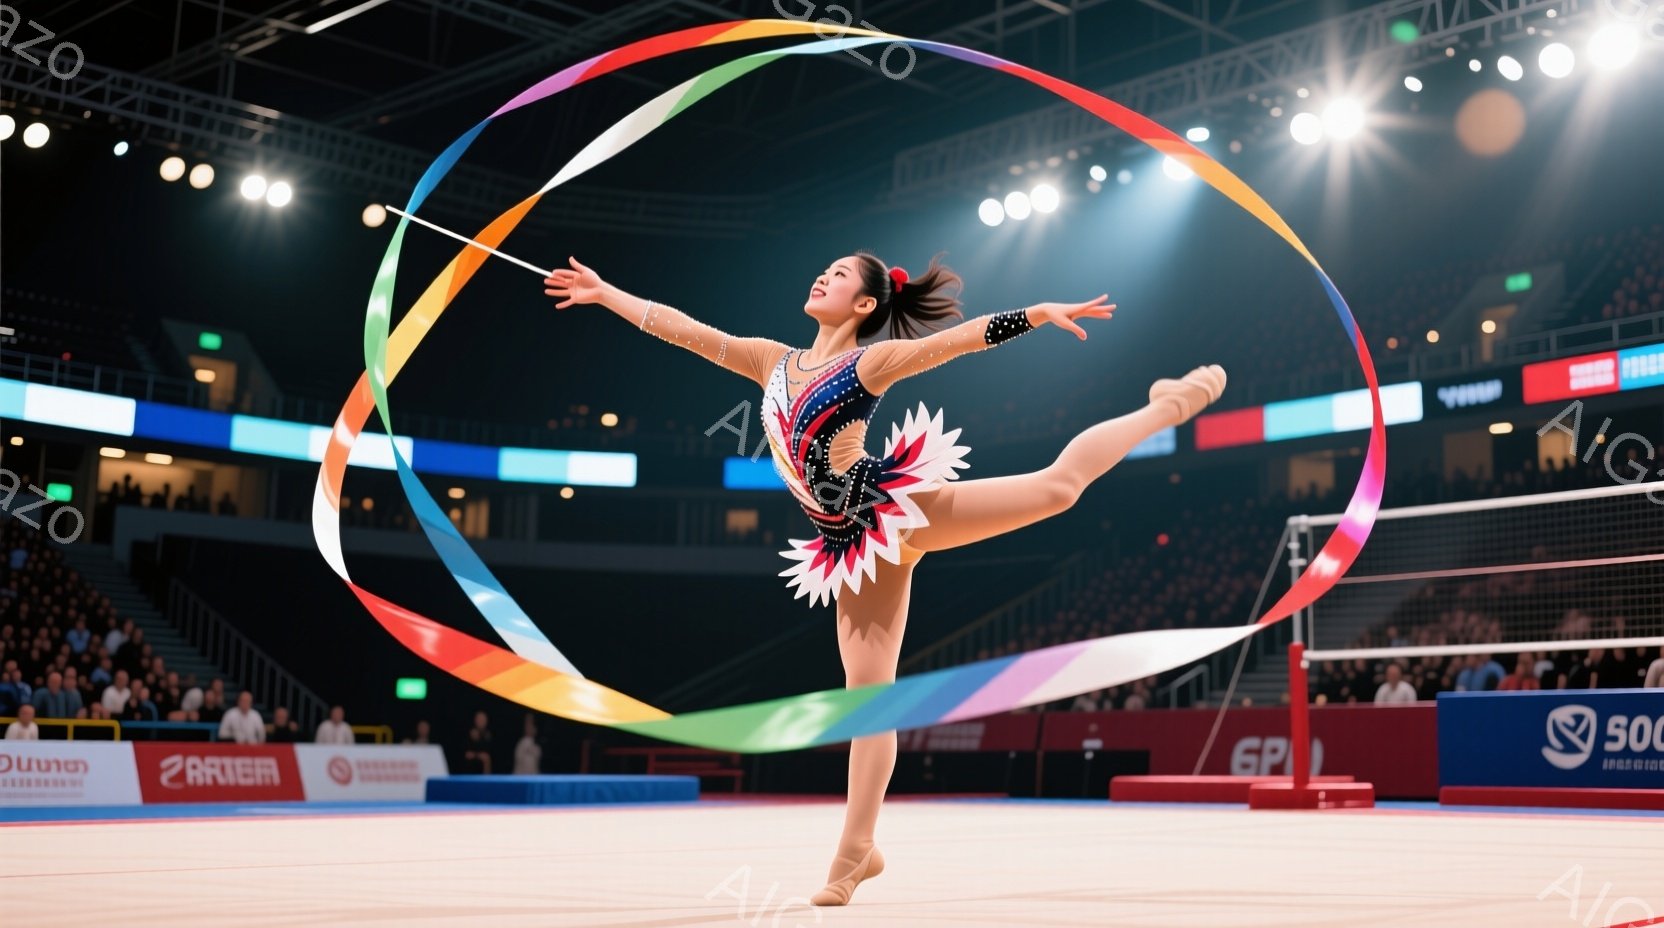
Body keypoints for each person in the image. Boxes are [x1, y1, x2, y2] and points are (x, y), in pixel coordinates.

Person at [545, 252, 1226, 906]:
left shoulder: (868, 361)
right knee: (868, 701)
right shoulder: (769, 361)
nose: (822, 275)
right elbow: (688, 331)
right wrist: (608, 295)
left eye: (838, 273)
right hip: (849, 544)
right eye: (826, 268)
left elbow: (959, 340)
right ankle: (858, 851)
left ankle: (1167, 405)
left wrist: (1038, 313)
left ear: (865, 304)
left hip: (891, 509)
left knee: (1057, 489)